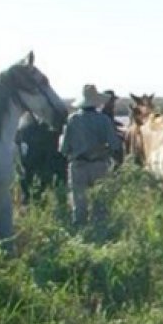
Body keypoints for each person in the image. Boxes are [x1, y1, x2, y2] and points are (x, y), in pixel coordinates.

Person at [59, 84, 122, 226]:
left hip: (78, 165)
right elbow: (115, 145)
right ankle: (100, 232)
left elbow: (64, 149)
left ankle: (80, 233)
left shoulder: (72, 120)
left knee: (79, 203)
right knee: (100, 205)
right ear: (97, 102)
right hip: (99, 165)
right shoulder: (104, 120)